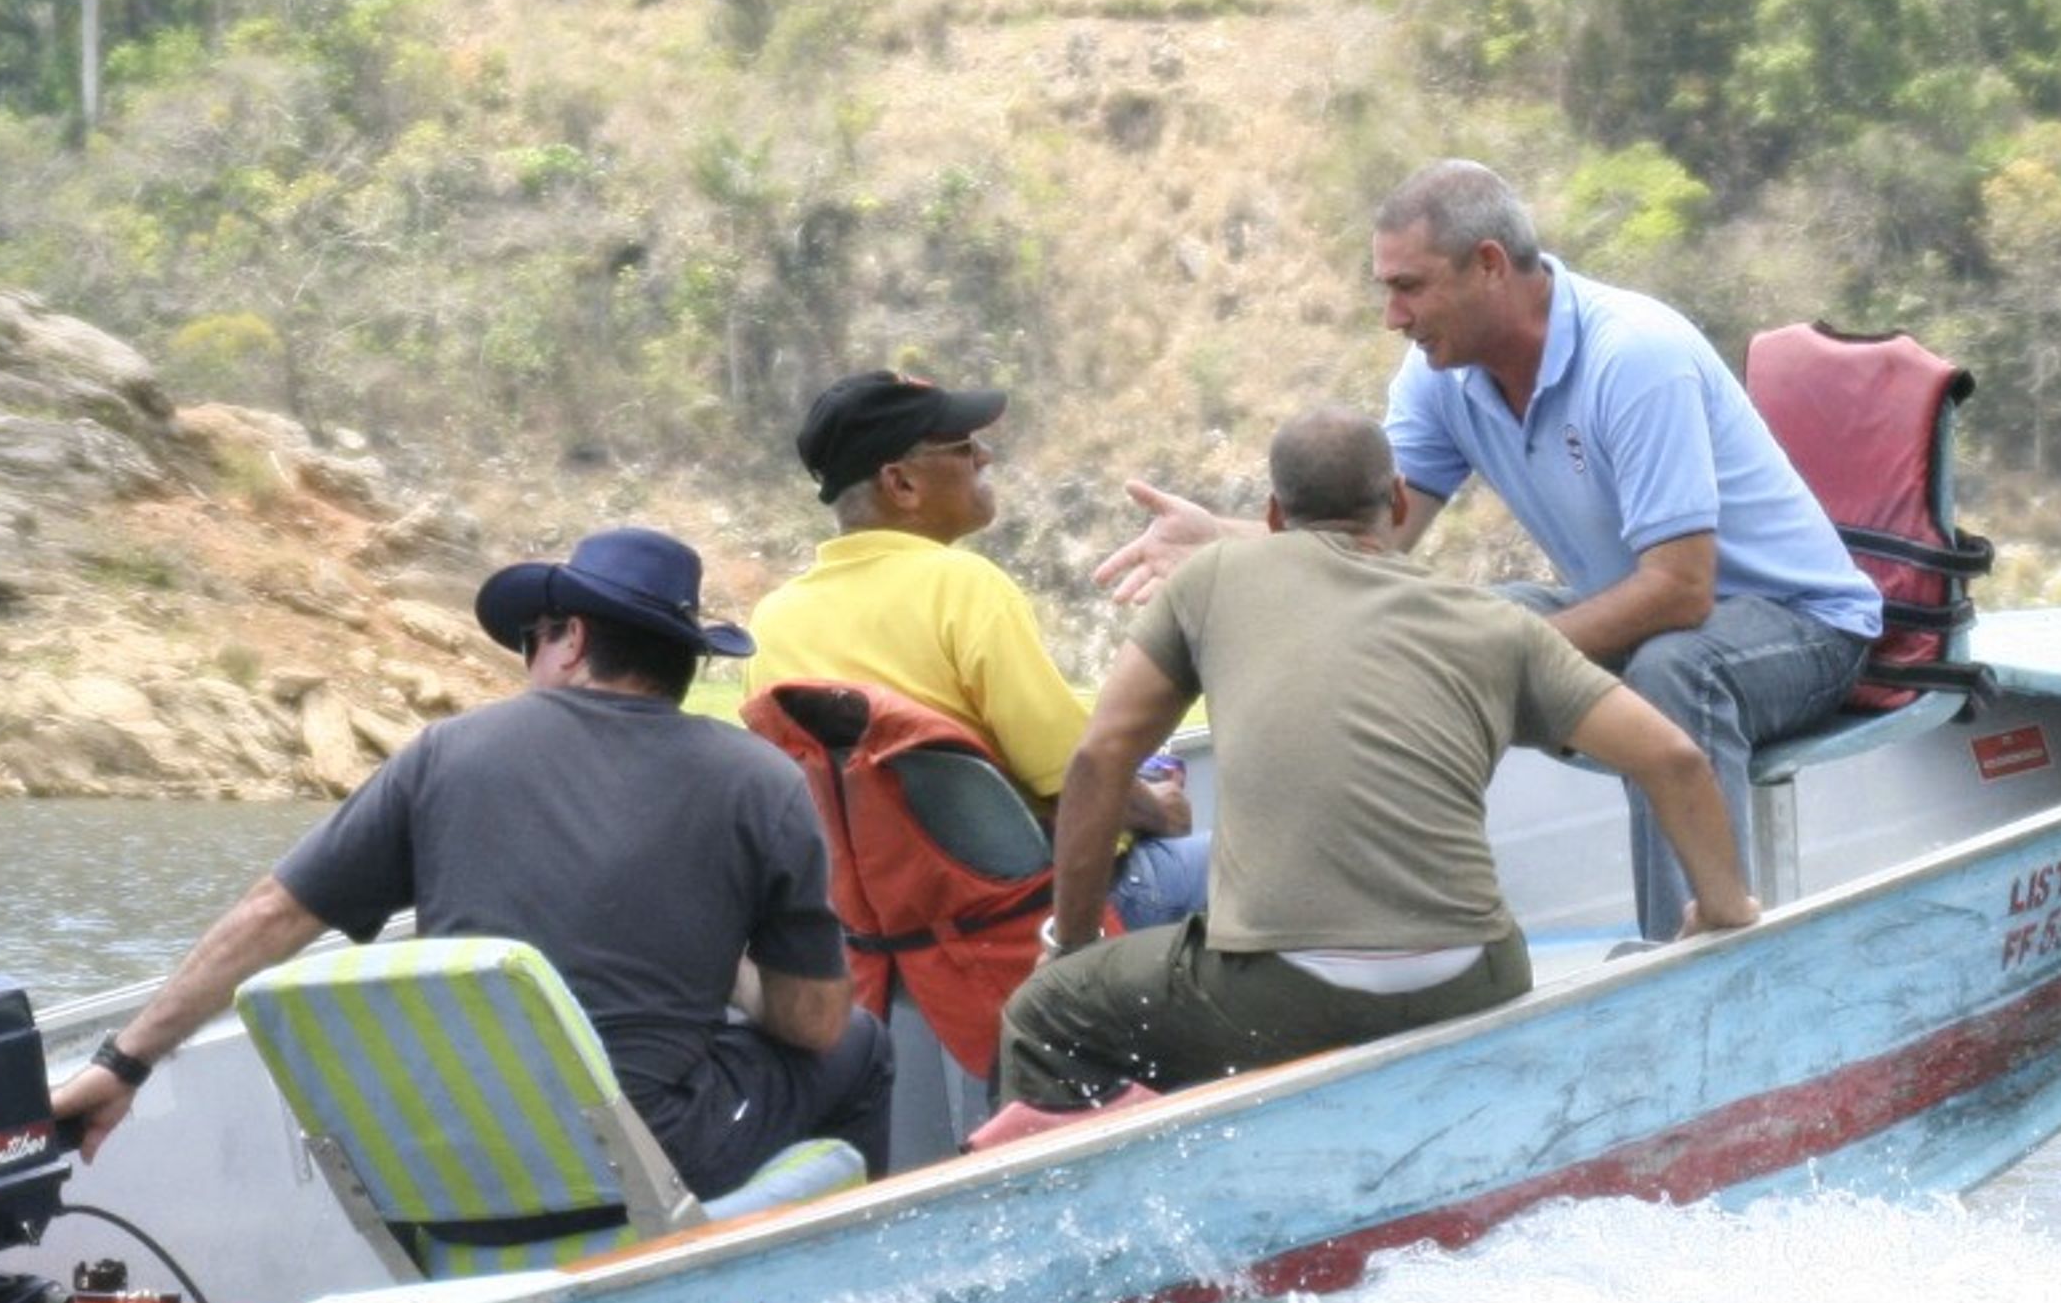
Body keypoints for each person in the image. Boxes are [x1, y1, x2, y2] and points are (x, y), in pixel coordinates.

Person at [1100, 161, 1880, 941]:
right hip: (1653, 618)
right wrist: (1227, 540)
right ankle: (1393, 936)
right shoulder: (1443, 377)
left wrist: (1491, 654)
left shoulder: (1635, 357)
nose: (1392, 317)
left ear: (1489, 266)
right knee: (1454, 619)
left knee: (1663, 670)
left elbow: (1681, 591)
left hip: (1800, 625)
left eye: (1409, 287)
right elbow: (1372, 543)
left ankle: (1687, 956)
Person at [54, 524, 892, 1192]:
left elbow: (272, 917)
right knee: (860, 1046)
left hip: (447, 1163)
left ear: (572, 638)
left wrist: (122, 1063)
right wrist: (728, 971)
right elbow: (811, 1024)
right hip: (650, 1156)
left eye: (531, 635)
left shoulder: (444, 754)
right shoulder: (760, 777)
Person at [998, 408, 1757, 1115]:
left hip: (1276, 988)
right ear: (1398, 502)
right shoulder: (1494, 622)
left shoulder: (1213, 578)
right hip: (1471, 978)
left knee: (1046, 1014)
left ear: (1270, 516)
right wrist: (1723, 911)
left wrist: (1068, 943)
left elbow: (1099, 762)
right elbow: (1676, 760)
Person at [748, 368, 1206, 1156]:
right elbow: (1076, 772)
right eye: (964, 447)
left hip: (885, 948)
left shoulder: (774, 622)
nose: (985, 457)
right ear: (901, 482)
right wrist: (1157, 808)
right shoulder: (963, 587)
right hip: (1027, 920)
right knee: (1251, 864)